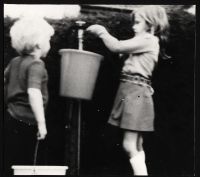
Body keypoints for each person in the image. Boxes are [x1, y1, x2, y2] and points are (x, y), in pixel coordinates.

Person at [87, 5, 169, 175]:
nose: (133, 27)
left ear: (150, 24)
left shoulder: (148, 40)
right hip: (131, 91)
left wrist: (102, 31)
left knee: (129, 144)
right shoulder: (145, 42)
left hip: (135, 92)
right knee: (136, 145)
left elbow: (116, 46)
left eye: (138, 23)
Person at [4, 17, 54, 176]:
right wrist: (41, 123)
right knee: (26, 165)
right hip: (27, 121)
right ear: (39, 43)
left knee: (10, 162)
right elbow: (34, 93)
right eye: (49, 39)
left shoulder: (14, 62)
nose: (50, 43)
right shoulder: (36, 64)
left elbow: (5, 81)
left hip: (11, 117)